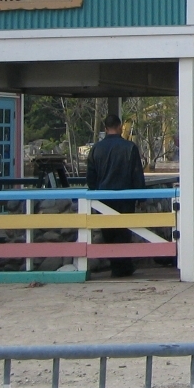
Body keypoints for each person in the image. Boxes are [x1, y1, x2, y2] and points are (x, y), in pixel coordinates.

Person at [86, 114, 145, 278]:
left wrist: (94, 192)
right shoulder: (130, 147)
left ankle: (116, 266)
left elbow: (91, 177)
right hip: (125, 198)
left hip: (103, 198)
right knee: (124, 233)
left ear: (105, 129)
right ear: (120, 127)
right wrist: (141, 198)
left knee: (109, 234)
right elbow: (136, 174)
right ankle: (124, 267)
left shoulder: (96, 149)